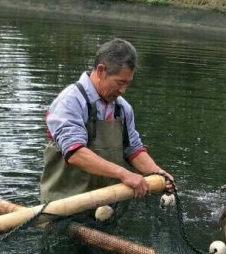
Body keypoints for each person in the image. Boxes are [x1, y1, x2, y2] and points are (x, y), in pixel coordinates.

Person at [40, 37, 173, 205]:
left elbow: (133, 150)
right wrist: (125, 174)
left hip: (106, 204)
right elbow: (75, 154)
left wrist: (159, 174)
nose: (123, 90)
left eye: (128, 83)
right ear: (102, 70)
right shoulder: (70, 101)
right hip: (64, 205)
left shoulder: (123, 108)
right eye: (120, 82)